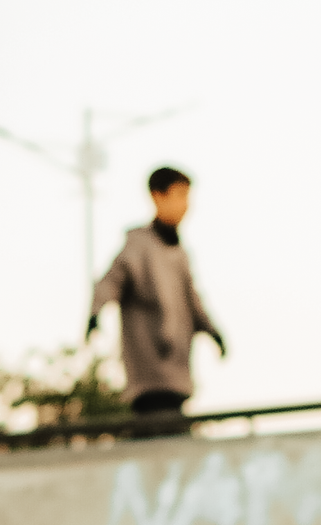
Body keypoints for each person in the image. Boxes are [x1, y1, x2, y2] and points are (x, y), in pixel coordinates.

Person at [87, 164, 227, 428]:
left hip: (178, 367)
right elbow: (110, 282)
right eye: (179, 196)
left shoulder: (180, 253)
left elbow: (193, 300)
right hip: (149, 372)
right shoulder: (138, 247)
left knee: (176, 435)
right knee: (156, 432)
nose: (185, 205)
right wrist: (95, 313)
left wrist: (213, 331)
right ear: (157, 196)